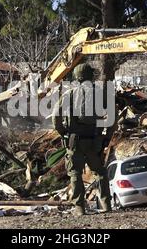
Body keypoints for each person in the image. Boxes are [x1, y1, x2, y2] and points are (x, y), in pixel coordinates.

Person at [52, 63, 113, 216]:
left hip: (75, 141)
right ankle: (106, 206)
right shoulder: (101, 94)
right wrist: (106, 136)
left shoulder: (69, 94)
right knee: (100, 172)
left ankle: (79, 208)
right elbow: (113, 116)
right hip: (95, 140)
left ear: (77, 77)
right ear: (90, 76)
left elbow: (55, 116)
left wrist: (63, 132)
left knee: (75, 174)